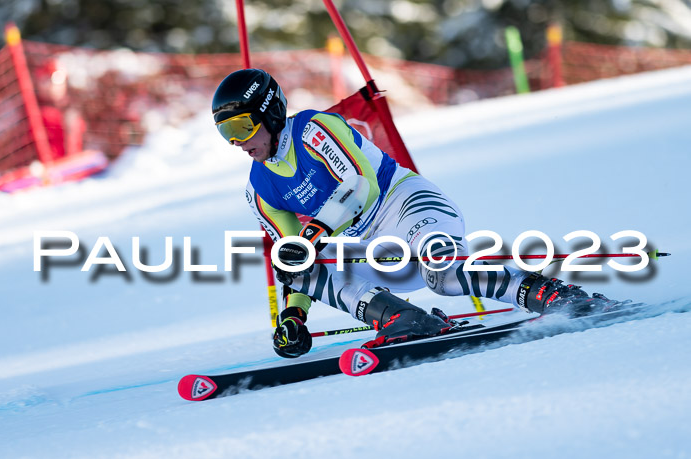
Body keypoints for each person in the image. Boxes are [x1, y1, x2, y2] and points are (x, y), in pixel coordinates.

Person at [212, 68, 613, 358]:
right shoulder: (258, 189)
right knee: (296, 264)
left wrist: (314, 234)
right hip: (370, 251)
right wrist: (294, 316)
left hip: (406, 205)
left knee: (445, 275)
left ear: (270, 113)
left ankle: (553, 294)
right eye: (227, 133)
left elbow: (360, 186)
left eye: (243, 127)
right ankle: (403, 319)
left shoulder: (314, 129)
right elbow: (296, 255)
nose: (238, 142)